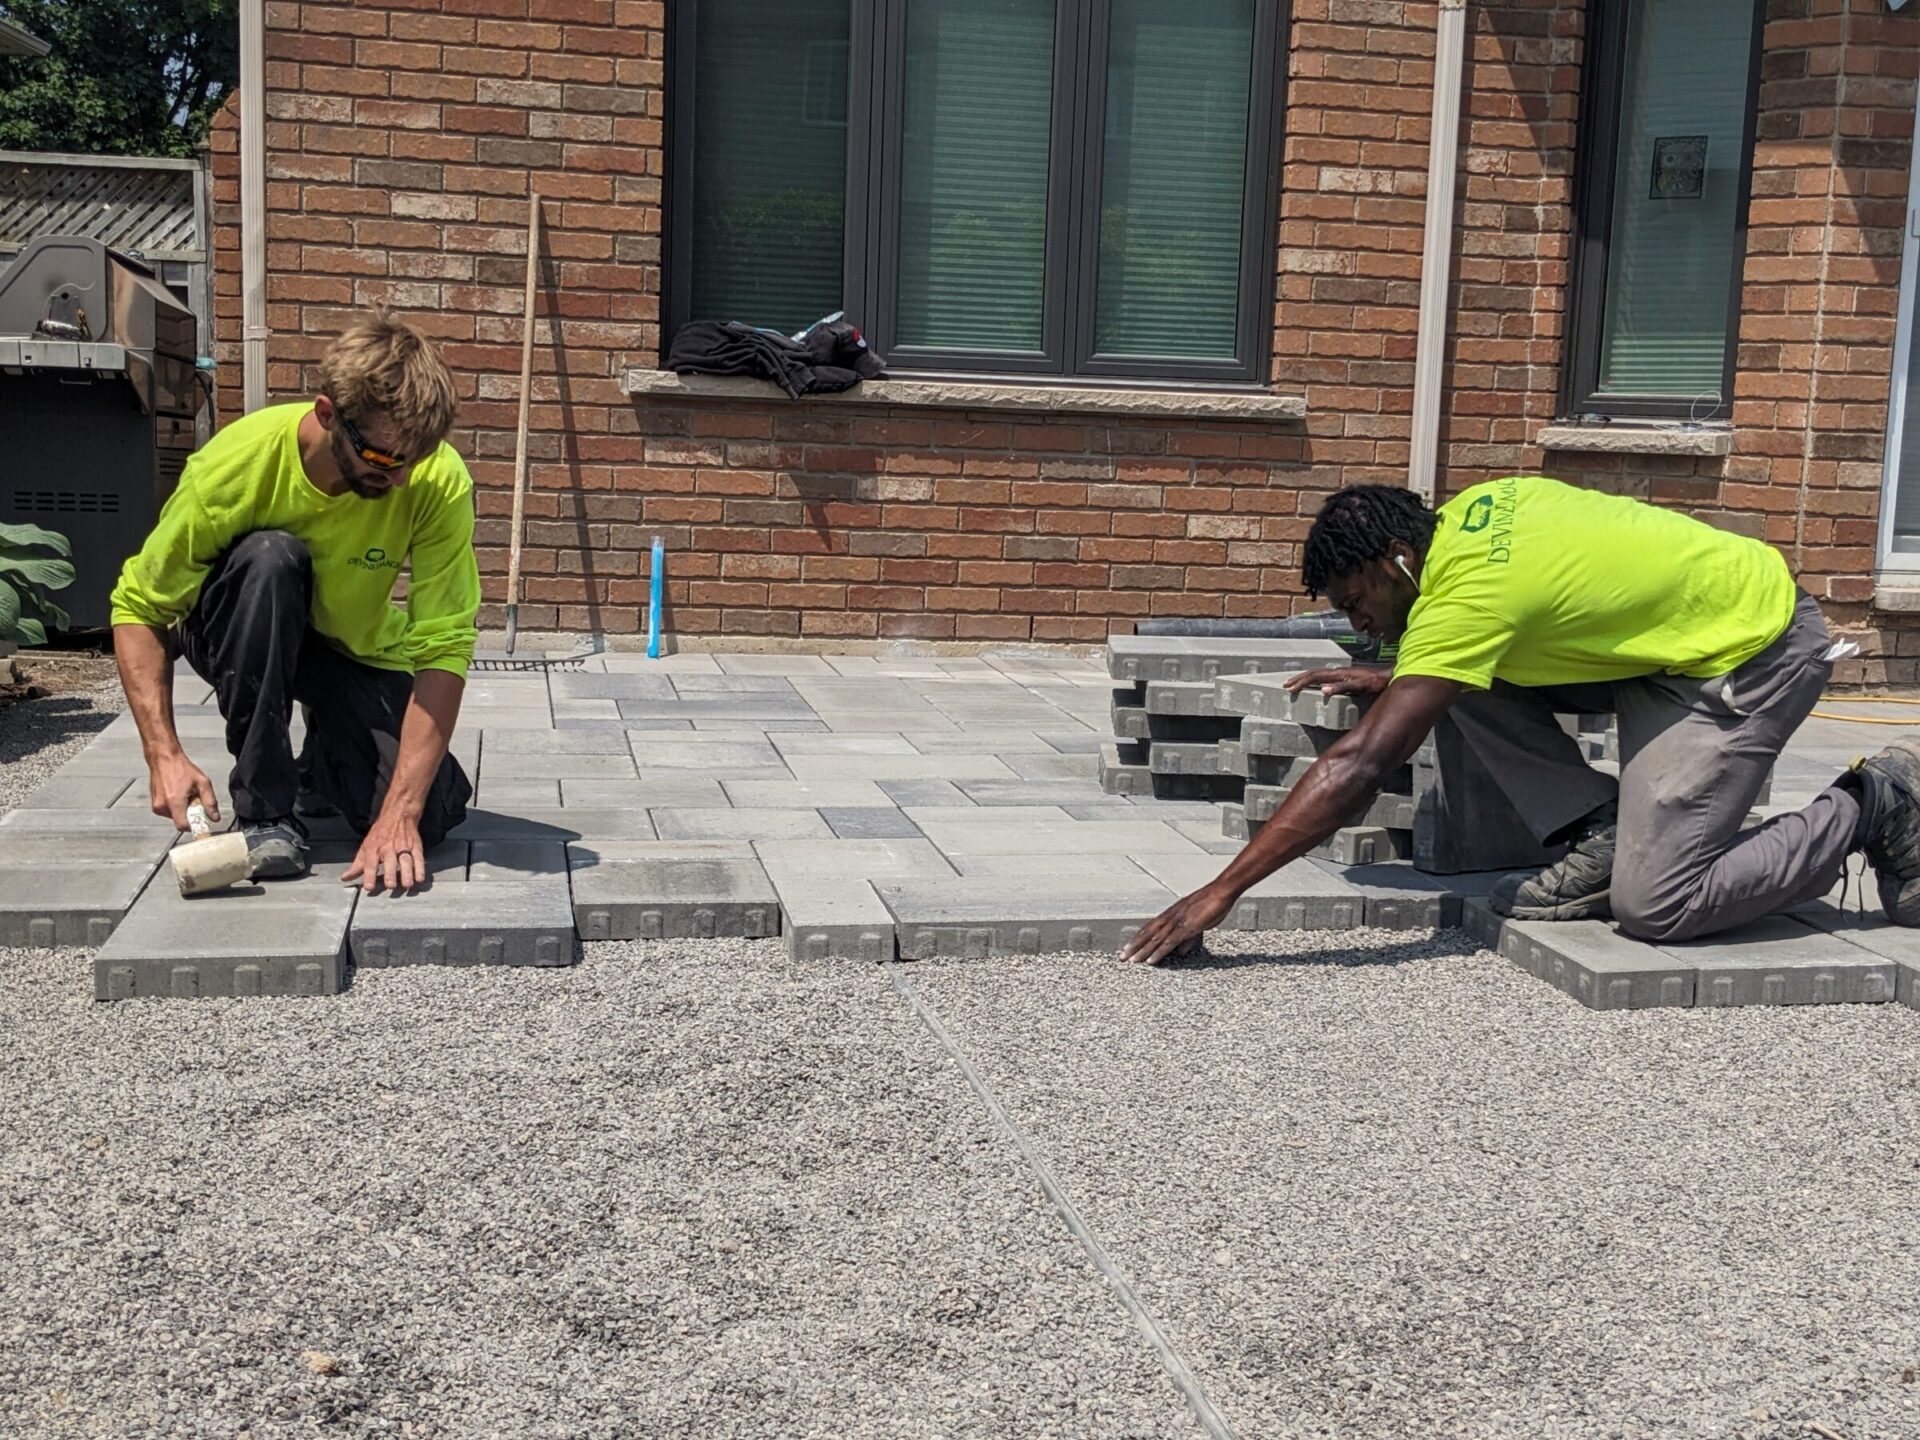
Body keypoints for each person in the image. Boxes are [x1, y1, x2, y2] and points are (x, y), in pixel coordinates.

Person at [1122, 477, 1920, 965]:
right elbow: (1528, 601)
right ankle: (1601, 828)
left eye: (1356, 601)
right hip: (1666, 644)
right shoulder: (1471, 514)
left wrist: (1219, 892)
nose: (1360, 624)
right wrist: (1397, 672)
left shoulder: (1468, 601)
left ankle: (1872, 804)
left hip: (1750, 648)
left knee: (1660, 907)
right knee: (1449, 679)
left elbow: (1360, 768)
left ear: (1396, 558)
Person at [110, 310, 480, 895]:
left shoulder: (434, 479)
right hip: (238, 624)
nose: (404, 479)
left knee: (433, 816)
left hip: (343, 647)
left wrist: (400, 812)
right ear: (328, 414)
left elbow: (445, 644)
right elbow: (139, 606)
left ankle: (317, 767)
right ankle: (266, 810)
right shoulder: (236, 467)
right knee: (271, 559)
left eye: (418, 457)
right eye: (385, 459)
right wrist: (164, 754)